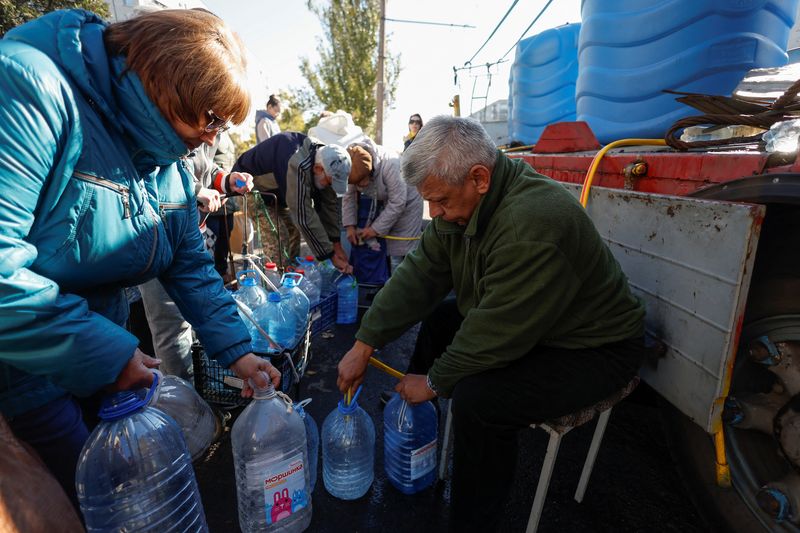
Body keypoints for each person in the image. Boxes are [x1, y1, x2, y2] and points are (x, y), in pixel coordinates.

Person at [0, 8, 280, 507]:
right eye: (211, 118)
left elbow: (189, 266)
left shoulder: (164, 165)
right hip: (23, 368)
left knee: (125, 494)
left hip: (93, 352)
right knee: (82, 501)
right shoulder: (31, 87)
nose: (215, 137)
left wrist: (238, 351)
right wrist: (109, 355)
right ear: (167, 86)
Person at [337, 116, 645, 531]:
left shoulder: (533, 222)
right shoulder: (463, 206)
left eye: (441, 201)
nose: (435, 214)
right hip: (533, 320)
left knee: (480, 402)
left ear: (479, 178)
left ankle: (473, 523)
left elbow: (497, 332)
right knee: (442, 317)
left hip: (594, 348)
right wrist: (364, 343)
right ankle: (412, 410)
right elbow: (420, 275)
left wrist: (434, 382)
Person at [234, 131, 353, 271]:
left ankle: (292, 273)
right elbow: (303, 214)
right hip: (246, 187)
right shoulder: (297, 163)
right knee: (277, 234)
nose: (329, 185)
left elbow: (328, 204)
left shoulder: (327, 160)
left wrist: (336, 244)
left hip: (275, 193)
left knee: (293, 230)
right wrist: (330, 255)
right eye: (329, 181)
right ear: (318, 169)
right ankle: (277, 282)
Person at [343, 137, 423, 279]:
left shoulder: (391, 164)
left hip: (408, 202)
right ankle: (387, 281)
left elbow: (398, 202)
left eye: (362, 182)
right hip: (387, 200)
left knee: (399, 248)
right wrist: (350, 226)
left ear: (371, 170)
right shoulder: (351, 163)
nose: (359, 187)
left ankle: (401, 286)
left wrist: (375, 229)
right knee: (383, 244)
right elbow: (348, 196)